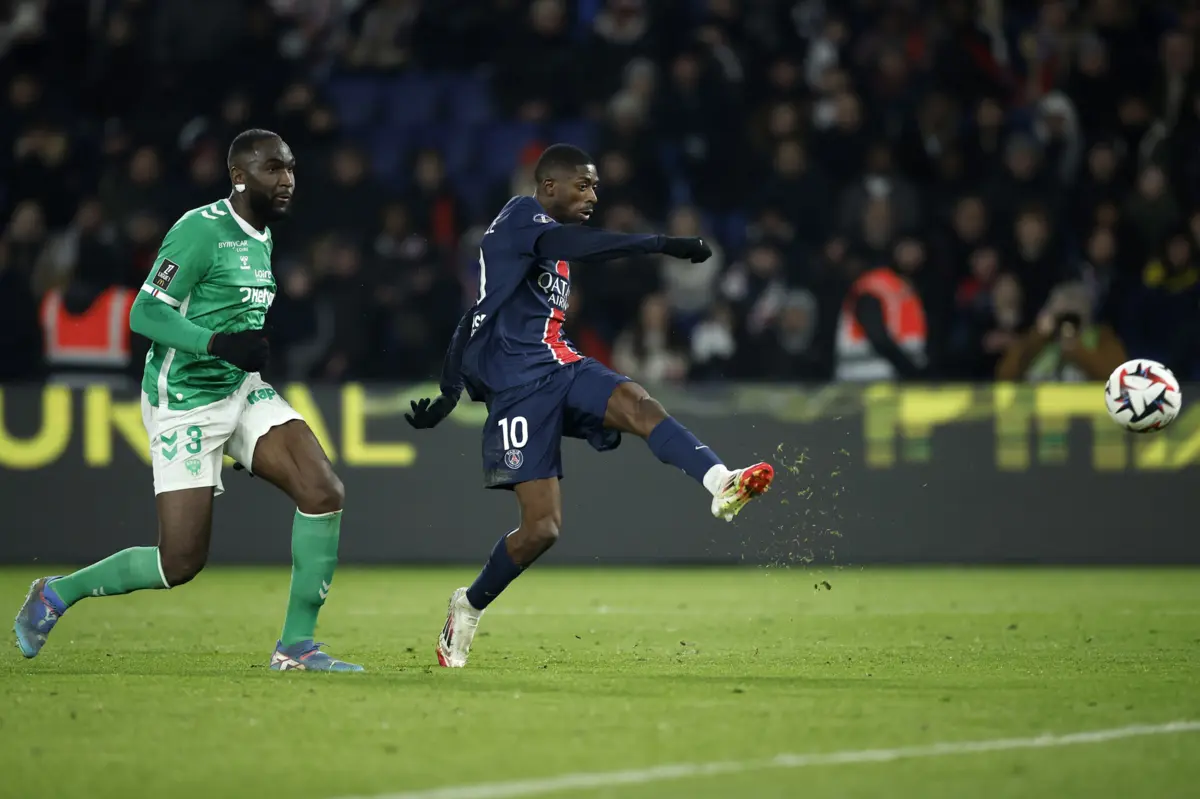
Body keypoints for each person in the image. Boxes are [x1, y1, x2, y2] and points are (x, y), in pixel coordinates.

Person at [405, 144, 775, 669]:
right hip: (518, 390)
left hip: (560, 365)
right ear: (549, 186)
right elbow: (552, 261)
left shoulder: (549, 244)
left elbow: (479, 311)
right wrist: (661, 244)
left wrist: (446, 392)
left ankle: (721, 483)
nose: (593, 196)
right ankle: (467, 605)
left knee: (638, 402)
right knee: (542, 529)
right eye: (584, 185)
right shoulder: (519, 217)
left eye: (596, 186)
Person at [13, 130, 362, 673]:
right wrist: (217, 342)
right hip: (184, 400)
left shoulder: (263, 235)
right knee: (179, 562)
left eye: (291, 168)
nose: (288, 179)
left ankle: (296, 647)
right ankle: (57, 593)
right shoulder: (200, 232)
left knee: (323, 490)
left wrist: (237, 350)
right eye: (273, 169)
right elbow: (144, 314)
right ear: (240, 176)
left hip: (238, 389)